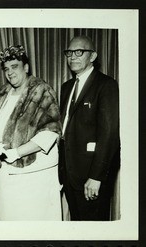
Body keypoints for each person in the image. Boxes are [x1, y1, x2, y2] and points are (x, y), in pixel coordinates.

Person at [0, 45, 62, 221]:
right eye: (6, 69)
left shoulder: (41, 90)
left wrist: (16, 153)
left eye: (15, 67)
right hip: (6, 174)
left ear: (26, 67)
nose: (10, 73)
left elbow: (50, 132)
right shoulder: (2, 94)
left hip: (34, 176)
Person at [59, 35, 120, 220]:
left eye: (79, 52)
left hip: (91, 178)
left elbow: (109, 135)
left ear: (92, 56)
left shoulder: (106, 85)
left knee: (94, 231)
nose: (72, 57)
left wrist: (97, 177)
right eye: (69, 53)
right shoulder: (66, 87)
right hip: (69, 175)